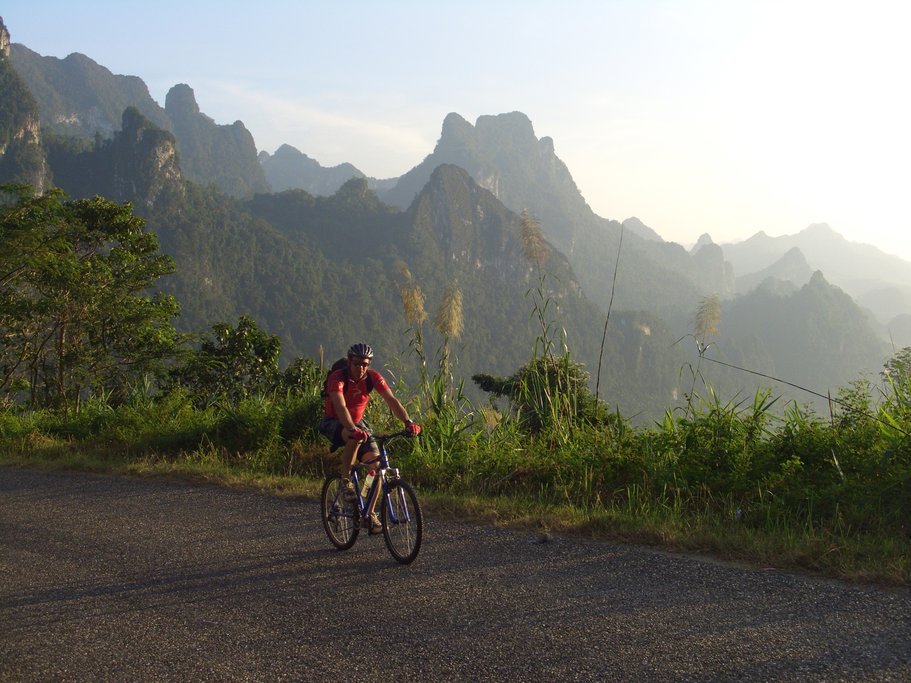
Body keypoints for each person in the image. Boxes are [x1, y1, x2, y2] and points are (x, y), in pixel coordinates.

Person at [318, 342, 421, 534]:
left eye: (365, 364)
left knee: (377, 466)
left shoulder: (372, 378)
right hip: (334, 422)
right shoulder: (338, 378)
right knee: (354, 437)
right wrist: (350, 428)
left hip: (358, 423)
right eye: (357, 363)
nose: (361, 368)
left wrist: (408, 422)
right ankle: (345, 480)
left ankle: (369, 514)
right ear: (349, 362)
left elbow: (392, 400)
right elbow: (340, 407)